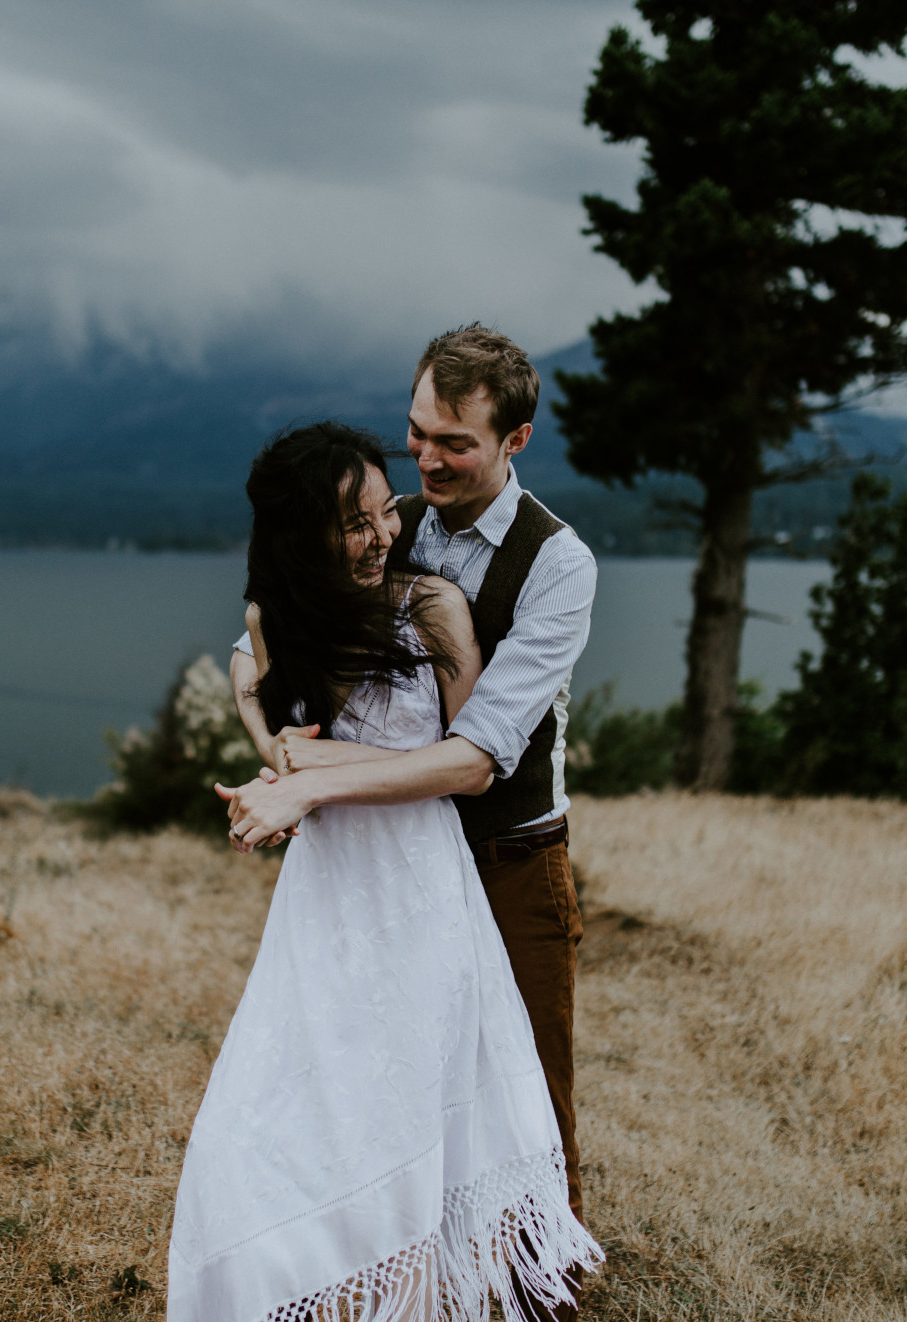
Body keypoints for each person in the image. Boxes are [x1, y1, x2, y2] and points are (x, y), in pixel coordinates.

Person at [167, 420, 600, 1322]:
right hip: (325, 897)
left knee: (412, 1101)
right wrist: (283, 759)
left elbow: (466, 758)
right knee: (286, 1107)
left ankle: (453, 1295)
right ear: (304, 538)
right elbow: (250, 676)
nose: (383, 532)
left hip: (422, 883)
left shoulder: (433, 604)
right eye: (357, 522)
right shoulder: (278, 616)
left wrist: (312, 782)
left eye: (381, 513)